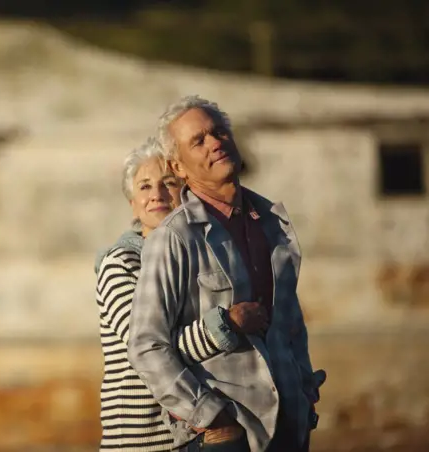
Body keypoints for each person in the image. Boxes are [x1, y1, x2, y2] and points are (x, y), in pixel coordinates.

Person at [128, 96, 325, 452]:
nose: (215, 143)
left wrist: (305, 386)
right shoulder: (173, 238)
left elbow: (291, 319)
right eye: (198, 140)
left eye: (219, 132)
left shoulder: (271, 222)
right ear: (179, 167)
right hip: (228, 433)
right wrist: (210, 417)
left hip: (290, 425)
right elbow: (146, 346)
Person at [95, 138, 243, 451]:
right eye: (144, 187)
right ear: (132, 203)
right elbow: (147, 349)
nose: (157, 195)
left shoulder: (198, 257)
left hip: (195, 434)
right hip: (143, 439)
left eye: (168, 183)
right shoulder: (120, 263)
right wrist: (225, 326)